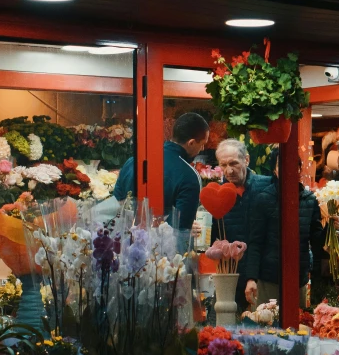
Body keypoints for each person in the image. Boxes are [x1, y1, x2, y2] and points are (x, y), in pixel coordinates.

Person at [245, 153, 325, 309]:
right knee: (267, 326)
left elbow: (316, 240)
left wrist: (331, 230)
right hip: (269, 277)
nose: (287, 170)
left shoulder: (309, 200)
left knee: (297, 326)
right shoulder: (264, 198)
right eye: (281, 166)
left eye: (293, 166)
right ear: (275, 171)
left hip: (298, 278)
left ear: (299, 170)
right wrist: (251, 278)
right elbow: (255, 242)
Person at [114, 112, 209, 233]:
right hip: (163, 248)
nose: (202, 149)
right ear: (191, 143)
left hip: (127, 243)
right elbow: (181, 230)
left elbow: (116, 209)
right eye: (202, 144)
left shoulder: (132, 162)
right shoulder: (189, 175)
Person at [214, 139, 271, 311]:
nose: (228, 170)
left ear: (246, 160)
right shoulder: (216, 194)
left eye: (233, 163)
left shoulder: (267, 186)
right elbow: (215, 237)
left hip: (265, 272)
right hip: (233, 273)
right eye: (223, 165)